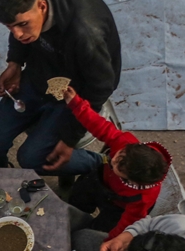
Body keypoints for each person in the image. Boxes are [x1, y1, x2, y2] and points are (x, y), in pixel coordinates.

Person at [0, 0, 122, 174]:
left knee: (32, 158)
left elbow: (101, 87)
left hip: (77, 94)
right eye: (10, 27)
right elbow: (19, 30)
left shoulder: (85, 32)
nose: (17, 34)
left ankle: (106, 163)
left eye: (23, 25)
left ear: (42, 6)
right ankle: (2, 182)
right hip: (41, 74)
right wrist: (15, 63)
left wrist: (69, 139)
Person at [57, 84, 171, 241]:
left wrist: (111, 241)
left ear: (130, 180)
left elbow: (127, 223)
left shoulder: (142, 199)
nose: (114, 157)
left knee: (96, 231)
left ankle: (78, 237)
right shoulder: (125, 144)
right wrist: (76, 104)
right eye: (120, 155)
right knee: (76, 201)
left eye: (117, 166)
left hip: (118, 207)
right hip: (98, 180)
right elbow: (101, 126)